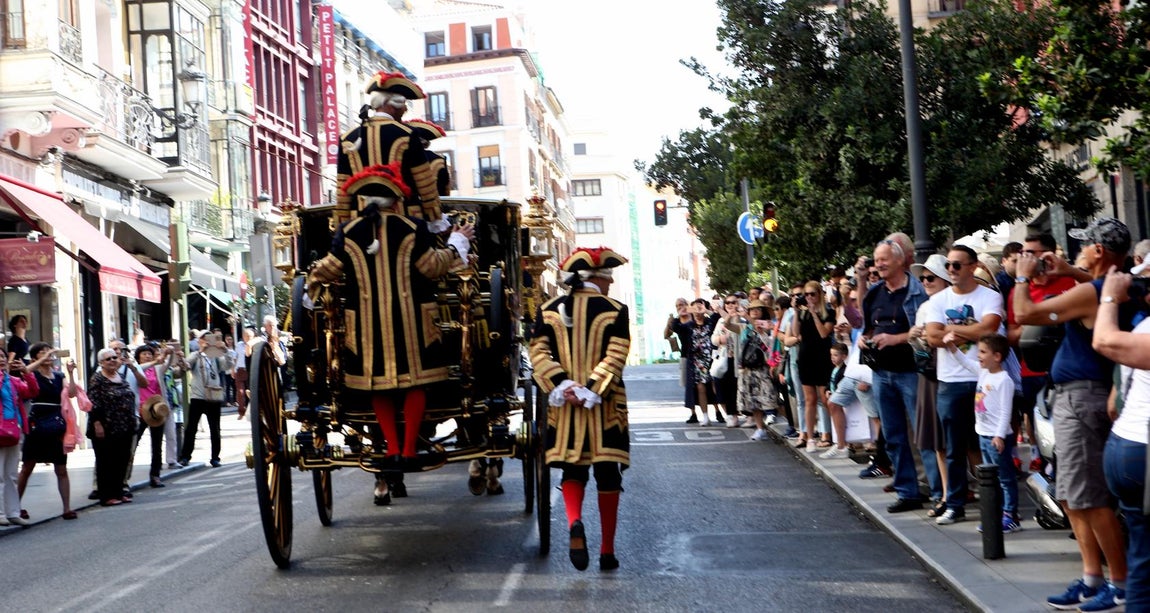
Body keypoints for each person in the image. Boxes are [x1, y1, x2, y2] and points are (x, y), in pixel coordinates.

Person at [307, 162, 472, 503]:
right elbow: (432, 267)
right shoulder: (413, 227)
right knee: (415, 382)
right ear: (397, 199)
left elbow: (330, 269)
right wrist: (457, 244)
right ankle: (410, 450)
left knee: (376, 385)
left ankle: (392, 450)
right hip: (412, 325)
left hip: (365, 329)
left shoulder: (348, 231)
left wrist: (310, 280)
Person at [1014, 217, 1133, 611]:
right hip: (1077, 397)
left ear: (1098, 251)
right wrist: (1069, 270)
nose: (1077, 249)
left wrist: (1021, 277)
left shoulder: (1093, 291)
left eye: (1084, 246)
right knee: (1073, 496)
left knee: (1090, 498)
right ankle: (1092, 577)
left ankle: (1117, 583)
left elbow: (1026, 313)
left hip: (1081, 399)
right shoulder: (1108, 286)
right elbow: (1102, 279)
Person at [529, 246, 630, 572]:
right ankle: (607, 552)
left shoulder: (548, 309)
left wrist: (563, 385)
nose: (610, 285)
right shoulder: (616, 309)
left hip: (565, 408)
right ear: (596, 279)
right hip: (604, 407)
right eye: (608, 279)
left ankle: (574, 521)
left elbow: (538, 354)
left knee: (573, 470)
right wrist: (590, 387)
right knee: (606, 474)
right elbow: (616, 354)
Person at [924, 244, 1004, 526]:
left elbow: (989, 329)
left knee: (991, 444)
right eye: (949, 265)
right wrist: (968, 331)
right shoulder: (938, 300)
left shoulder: (989, 296)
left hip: (985, 381)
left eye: (958, 265)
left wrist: (951, 332)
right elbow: (932, 337)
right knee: (954, 447)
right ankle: (955, 504)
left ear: (973, 266)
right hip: (951, 382)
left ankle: (1003, 506)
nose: (952, 270)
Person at [858, 236, 930, 513]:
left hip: (911, 371)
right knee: (893, 435)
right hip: (881, 373)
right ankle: (907, 492)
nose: (879, 264)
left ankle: (937, 492)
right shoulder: (875, 292)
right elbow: (866, 326)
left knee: (922, 434)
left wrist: (895, 338)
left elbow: (922, 331)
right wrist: (865, 339)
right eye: (876, 260)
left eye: (884, 259)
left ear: (901, 260)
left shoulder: (917, 292)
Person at [1092, 267, 1150, 610]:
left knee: (1143, 554)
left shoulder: (1142, 326)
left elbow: (1114, 403)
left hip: (1125, 444)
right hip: (1141, 448)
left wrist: (1111, 296)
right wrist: (1110, 297)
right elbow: (1102, 340)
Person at [338, 71, 443, 226]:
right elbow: (424, 181)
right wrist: (433, 215)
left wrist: (344, 223)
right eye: (403, 105)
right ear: (393, 105)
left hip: (360, 219)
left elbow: (343, 188)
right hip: (405, 217)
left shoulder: (347, 138)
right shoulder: (408, 134)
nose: (405, 110)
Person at [908, 253, 952, 517]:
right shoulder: (925, 307)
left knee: (965, 441)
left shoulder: (953, 302)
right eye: (923, 277)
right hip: (931, 374)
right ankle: (946, 493)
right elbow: (921, 347)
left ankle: (976, 491)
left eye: (931, 277)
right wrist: (915, 337)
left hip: (957, 375)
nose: (925, 281)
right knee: (938, 440)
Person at [967, 334, 1022, 534]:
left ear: (997, 356)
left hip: (998, 438)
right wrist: (952, 348)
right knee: (990, 478)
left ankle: (1011, 515)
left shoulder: (1004, 380)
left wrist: (999, 436)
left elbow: (1006, 411)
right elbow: (965, 363)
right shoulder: (983, 373)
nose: (978, 356)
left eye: (983, 352)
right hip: (983, 434)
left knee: (1005, 478)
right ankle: (995, 515)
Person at [16, 343, 77, 520]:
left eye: (50, 352)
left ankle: (66, 508)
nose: (49, 356)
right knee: (28, 466)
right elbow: (25, 371)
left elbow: (71, 393)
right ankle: (15, 507)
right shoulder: (33, 374)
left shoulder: (59, 376)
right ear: (35, 357)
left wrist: (71, 373)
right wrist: (41, 359)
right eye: (43, 353)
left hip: (56, 421)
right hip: (37, 422)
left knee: (61, 467)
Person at [785, 280, 835, 452]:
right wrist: (796, 312)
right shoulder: (803, 313)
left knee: (825, 397)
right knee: (809, 399)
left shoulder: (828, 311)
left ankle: (831, 435)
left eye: (812, 294)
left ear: (819, 294)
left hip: (822, 358)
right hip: (805, 357)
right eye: (806, 295)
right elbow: (796, 333)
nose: (809, 298)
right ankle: (809, 437)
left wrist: (814, 313)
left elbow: (824, 333)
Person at [87, 347, 137, 507]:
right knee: (106, 461)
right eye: (108, 359)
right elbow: (93, 403)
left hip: (125, 426)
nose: (112, 361)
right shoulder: (97, 379)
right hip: (106, 426)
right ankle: (106, 495)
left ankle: (118, 492)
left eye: (114, 357)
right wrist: (97, 423)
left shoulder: (121, 377)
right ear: (101, 362)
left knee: (122, 460)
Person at [180, 332, 233, 468]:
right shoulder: (195, 356)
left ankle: (215, 457)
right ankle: (185, 456)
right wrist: (201, 351)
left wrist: (225, 350)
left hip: (213, 397)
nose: (208, 342)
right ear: (200, 341)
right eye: (205, 339)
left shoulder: (216, 357)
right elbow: (185, 366)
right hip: (198, 397)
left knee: (215, 429)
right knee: (191, 428)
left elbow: (227, 366)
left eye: (211, 339)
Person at [671, 298, 724, 426]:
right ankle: (705, 416)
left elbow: (717, 317)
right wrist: (681, 312)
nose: (697, 311)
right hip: (696, 361)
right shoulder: (689, 325)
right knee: (700, 387)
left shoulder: (709, 322)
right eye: (694, 308)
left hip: (711, 358)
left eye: (699, 308)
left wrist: (706, 310)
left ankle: (724, 412)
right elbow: (675, 327)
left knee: (715, 386)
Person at [0, 351, 37, 525]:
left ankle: (13, 512)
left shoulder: (13, 381)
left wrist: (26, 372)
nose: (1, 360)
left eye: (2, 357)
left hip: (14, 431)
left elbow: (32, 391)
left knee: (11, 474)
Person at [133, 343, 175, 487]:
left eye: (149, 354)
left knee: (157, 445)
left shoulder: (157, 368)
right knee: (133, 443)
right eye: (144, 354)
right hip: (140, 411)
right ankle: (125, 476)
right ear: (138, 357)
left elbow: (167, 363)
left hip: (156, 410)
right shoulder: (135, 369)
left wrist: (170, 354)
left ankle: (155, 475)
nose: (147, 356)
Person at [740, 300, 777, 441]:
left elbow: (771, 346)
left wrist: (763, 332)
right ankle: (760, 428)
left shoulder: (769, 325)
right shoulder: (746, 328)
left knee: (769, 397)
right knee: (753, 400)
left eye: (758, 309)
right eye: (752, 309)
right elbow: (742, 345)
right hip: (749, 367)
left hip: (764, 367)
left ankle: (781, 420)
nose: (755, 311)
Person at [711, 294, 743, 427]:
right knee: (724, 386)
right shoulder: (720, 321)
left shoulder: (743, 319)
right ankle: (731, 414)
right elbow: (713, 338)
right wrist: (719, 340)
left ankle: (746, 414)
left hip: (740, 358)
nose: (730, 305)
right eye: (727, 303)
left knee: (739, 388)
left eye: (733, 302)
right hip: (725, 357)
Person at [664, 298, 697, 423]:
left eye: (682, 304)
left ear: (687, 305)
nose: (680, 307)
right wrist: (670, 323)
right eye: (677, 305)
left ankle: (717, 411)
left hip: (701, 354)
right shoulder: (676, 321)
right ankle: (693, 413)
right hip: (685, 355)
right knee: (689, 385)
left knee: (705, 384)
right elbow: (667, 334)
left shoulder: (695, 317)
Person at [819, 342, 852, 458]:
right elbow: (830, 382)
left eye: (835, 355)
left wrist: (833, 392)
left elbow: (841, 385)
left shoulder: (845, 370)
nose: (832, 358)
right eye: (831, 355)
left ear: (844, 356)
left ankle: (842, 445)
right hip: (833, 397)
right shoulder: (834, 369)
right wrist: (828, 390)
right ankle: (839, 443)